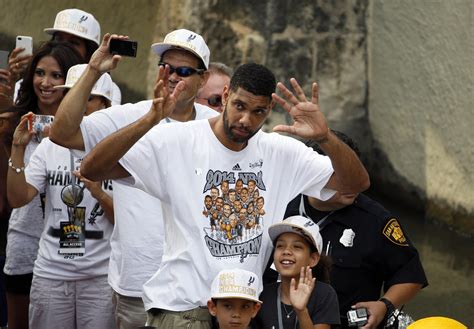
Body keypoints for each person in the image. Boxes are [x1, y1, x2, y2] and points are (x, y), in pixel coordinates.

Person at [78, 58, 370, 328]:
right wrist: (148, 120)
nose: (245, 120)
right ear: (227, 94)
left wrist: (325, 138)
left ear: (269, 110)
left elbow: (354, 184)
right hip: (184, 311)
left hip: (242, 314)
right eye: (240, 106)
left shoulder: (281, 152)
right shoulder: (177, 140)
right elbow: (92, 169)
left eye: (258, 112)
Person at [49, 29, 217, 329]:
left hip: (196, 288)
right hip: (137, 284)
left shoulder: (215, 124)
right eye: (166, 68)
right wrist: (93, 69)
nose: (173, 77)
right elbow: (61, 133)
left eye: (184, 71)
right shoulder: (130, 115)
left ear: (202, 80)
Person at [7, 63, 116, 328]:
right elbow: (19, 198)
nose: (77, 103)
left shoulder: (119, 149)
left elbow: (126, 220)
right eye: (70, 95)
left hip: (100, 279)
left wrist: (99, 193)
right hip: (52, 275)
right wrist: (18, 149)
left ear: (105, 105)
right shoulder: (48, 146)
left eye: (87, 96)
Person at [283, 131, 428, 329]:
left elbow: (411, 276)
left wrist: (384, 305)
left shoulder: (376, 221)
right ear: (312, 173)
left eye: (355, 173)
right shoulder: (280, 205)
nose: (352, 183)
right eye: (341, 175)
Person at [2, 41, 82, 329]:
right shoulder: (12, 122)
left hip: (71, 249)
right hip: (25, 240)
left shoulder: (88, 128)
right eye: (39, 73)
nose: (45, 83)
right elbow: (10, 193)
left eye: (56, 76)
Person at [2, 8, 121, 110]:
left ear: (89, 52)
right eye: (59, 39)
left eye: (73, 43)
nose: (63, 47)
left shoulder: (107, 87)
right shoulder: (31, 83)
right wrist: (11, 83)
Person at [254, 215, 340, 329]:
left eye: (297, 247)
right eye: (280, 246)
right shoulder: (264, 294)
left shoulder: (324, 294)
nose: (286, 251)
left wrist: (301, 310)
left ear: (313, 259)